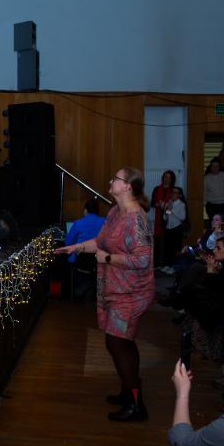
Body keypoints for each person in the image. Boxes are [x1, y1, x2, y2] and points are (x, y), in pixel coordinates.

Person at [55, 166, 153, 421]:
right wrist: (76, 247)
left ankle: (136, 404)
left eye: (116, 178)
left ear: (128, 186)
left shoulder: (136, 219)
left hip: (131, 292)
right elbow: (99, 243)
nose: (111, 181)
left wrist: (108, 258)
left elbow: (143, 260)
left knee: (117, 342)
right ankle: (129, 391)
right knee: (121, 342)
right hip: (114, 288)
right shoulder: (114, 212)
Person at [151, 170, 175, 265]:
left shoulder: (174, 190)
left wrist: (165, 206)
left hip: (170, 217)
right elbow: (152, 203)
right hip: (158, 217)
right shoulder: (157, 189)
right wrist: (160, 205)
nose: (167, 179)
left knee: (167, 241)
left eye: (169, 177)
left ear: (172, 179)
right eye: (165, 177)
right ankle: (157, 263)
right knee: (157, 241)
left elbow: (175, 205)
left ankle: (167, 263)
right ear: (163, 178)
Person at [204, 157, 224, 223]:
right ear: (210, 167)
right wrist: (205, 203)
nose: (214, 168)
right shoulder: (206, 178)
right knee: (213, 224)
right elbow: (204, 191)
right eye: (213, 166)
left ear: (219, 167)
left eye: (217, 166)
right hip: (211, 205)